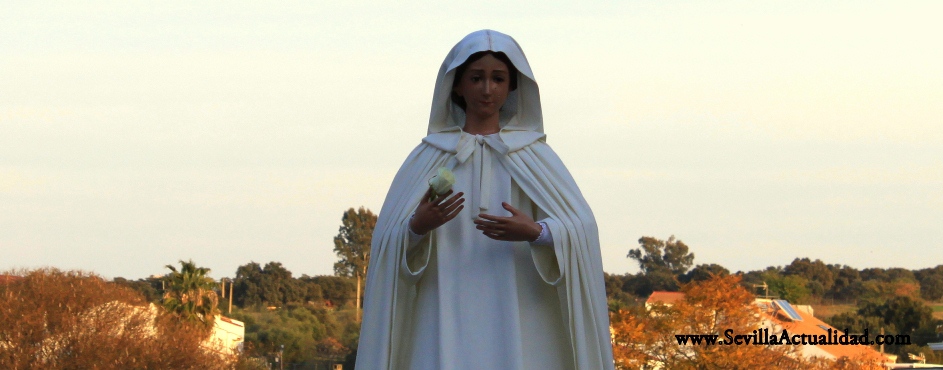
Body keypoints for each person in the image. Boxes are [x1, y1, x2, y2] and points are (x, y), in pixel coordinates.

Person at [357, 30, 614, 370]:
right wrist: (418, 227)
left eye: (498, 78)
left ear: (512, 86)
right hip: (440, 309)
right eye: (476, 78)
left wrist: (536, 232)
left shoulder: (536, 157)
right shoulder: (428, 158)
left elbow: (583, 228)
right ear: (458, 85)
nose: (487, 89)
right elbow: (387, 243)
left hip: (523, 313)